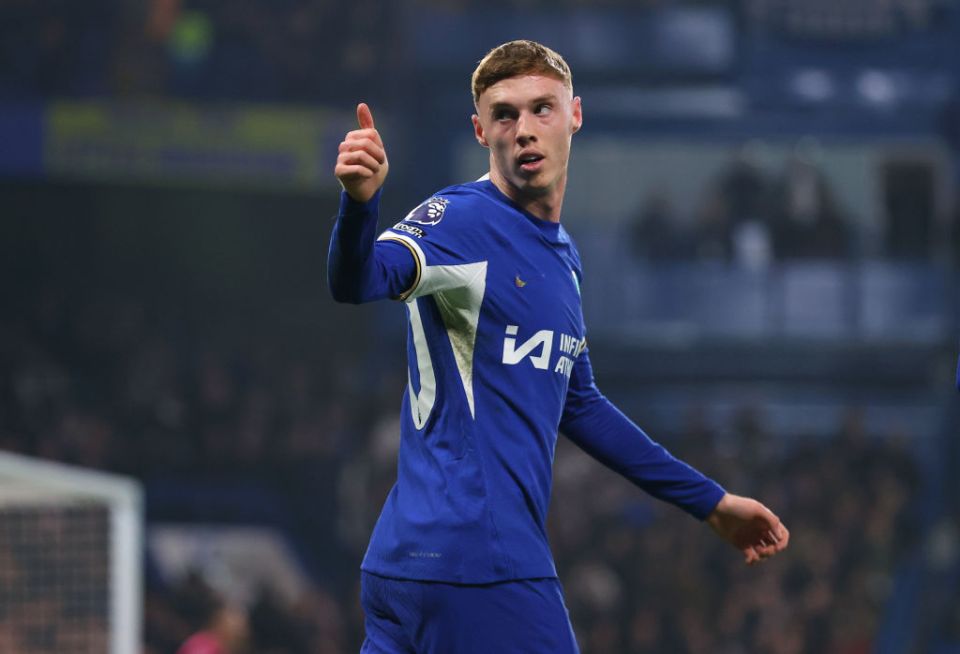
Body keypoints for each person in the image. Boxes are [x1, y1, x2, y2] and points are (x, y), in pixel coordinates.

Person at [328, 39, 789, 653]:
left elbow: (581, 404)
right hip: (479, 561)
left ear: (575, 114)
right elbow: (358, 280)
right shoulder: (460, 221)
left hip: (409, 568)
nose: (524, 130)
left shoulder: (563, 259)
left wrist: (709, 501)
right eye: (504, 115)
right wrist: (360, 207)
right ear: (479, 130)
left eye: (541, 109)